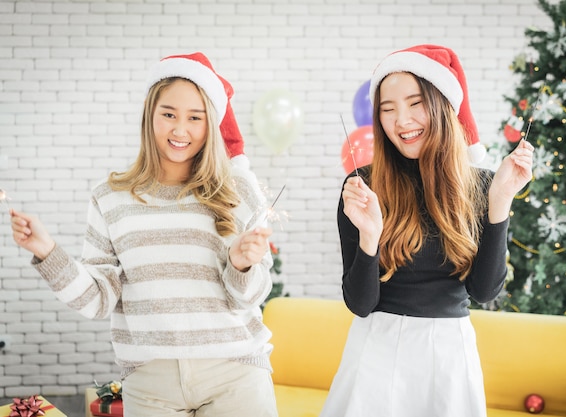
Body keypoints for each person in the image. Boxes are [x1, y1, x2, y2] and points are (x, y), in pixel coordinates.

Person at [10, 52, 278, 417]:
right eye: (169, 114)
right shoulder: (110, 197)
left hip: (236, 375)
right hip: (151, 385)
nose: (180, 130)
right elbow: (98, 300)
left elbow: (252, 296)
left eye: (195, 118)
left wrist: (241, 265)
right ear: (150, 115)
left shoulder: (238, 190)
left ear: (210, 124)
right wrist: (47, 252)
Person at [320, 44, 534, 417]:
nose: (401, 120)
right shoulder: (363, 186)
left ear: (440, 104)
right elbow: (360, 303)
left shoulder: (483, 186)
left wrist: (499, 202)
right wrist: (371, 237)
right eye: (387, 109)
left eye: (415, 103)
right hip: (376, 351)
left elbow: (484, 292)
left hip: (449, 354)